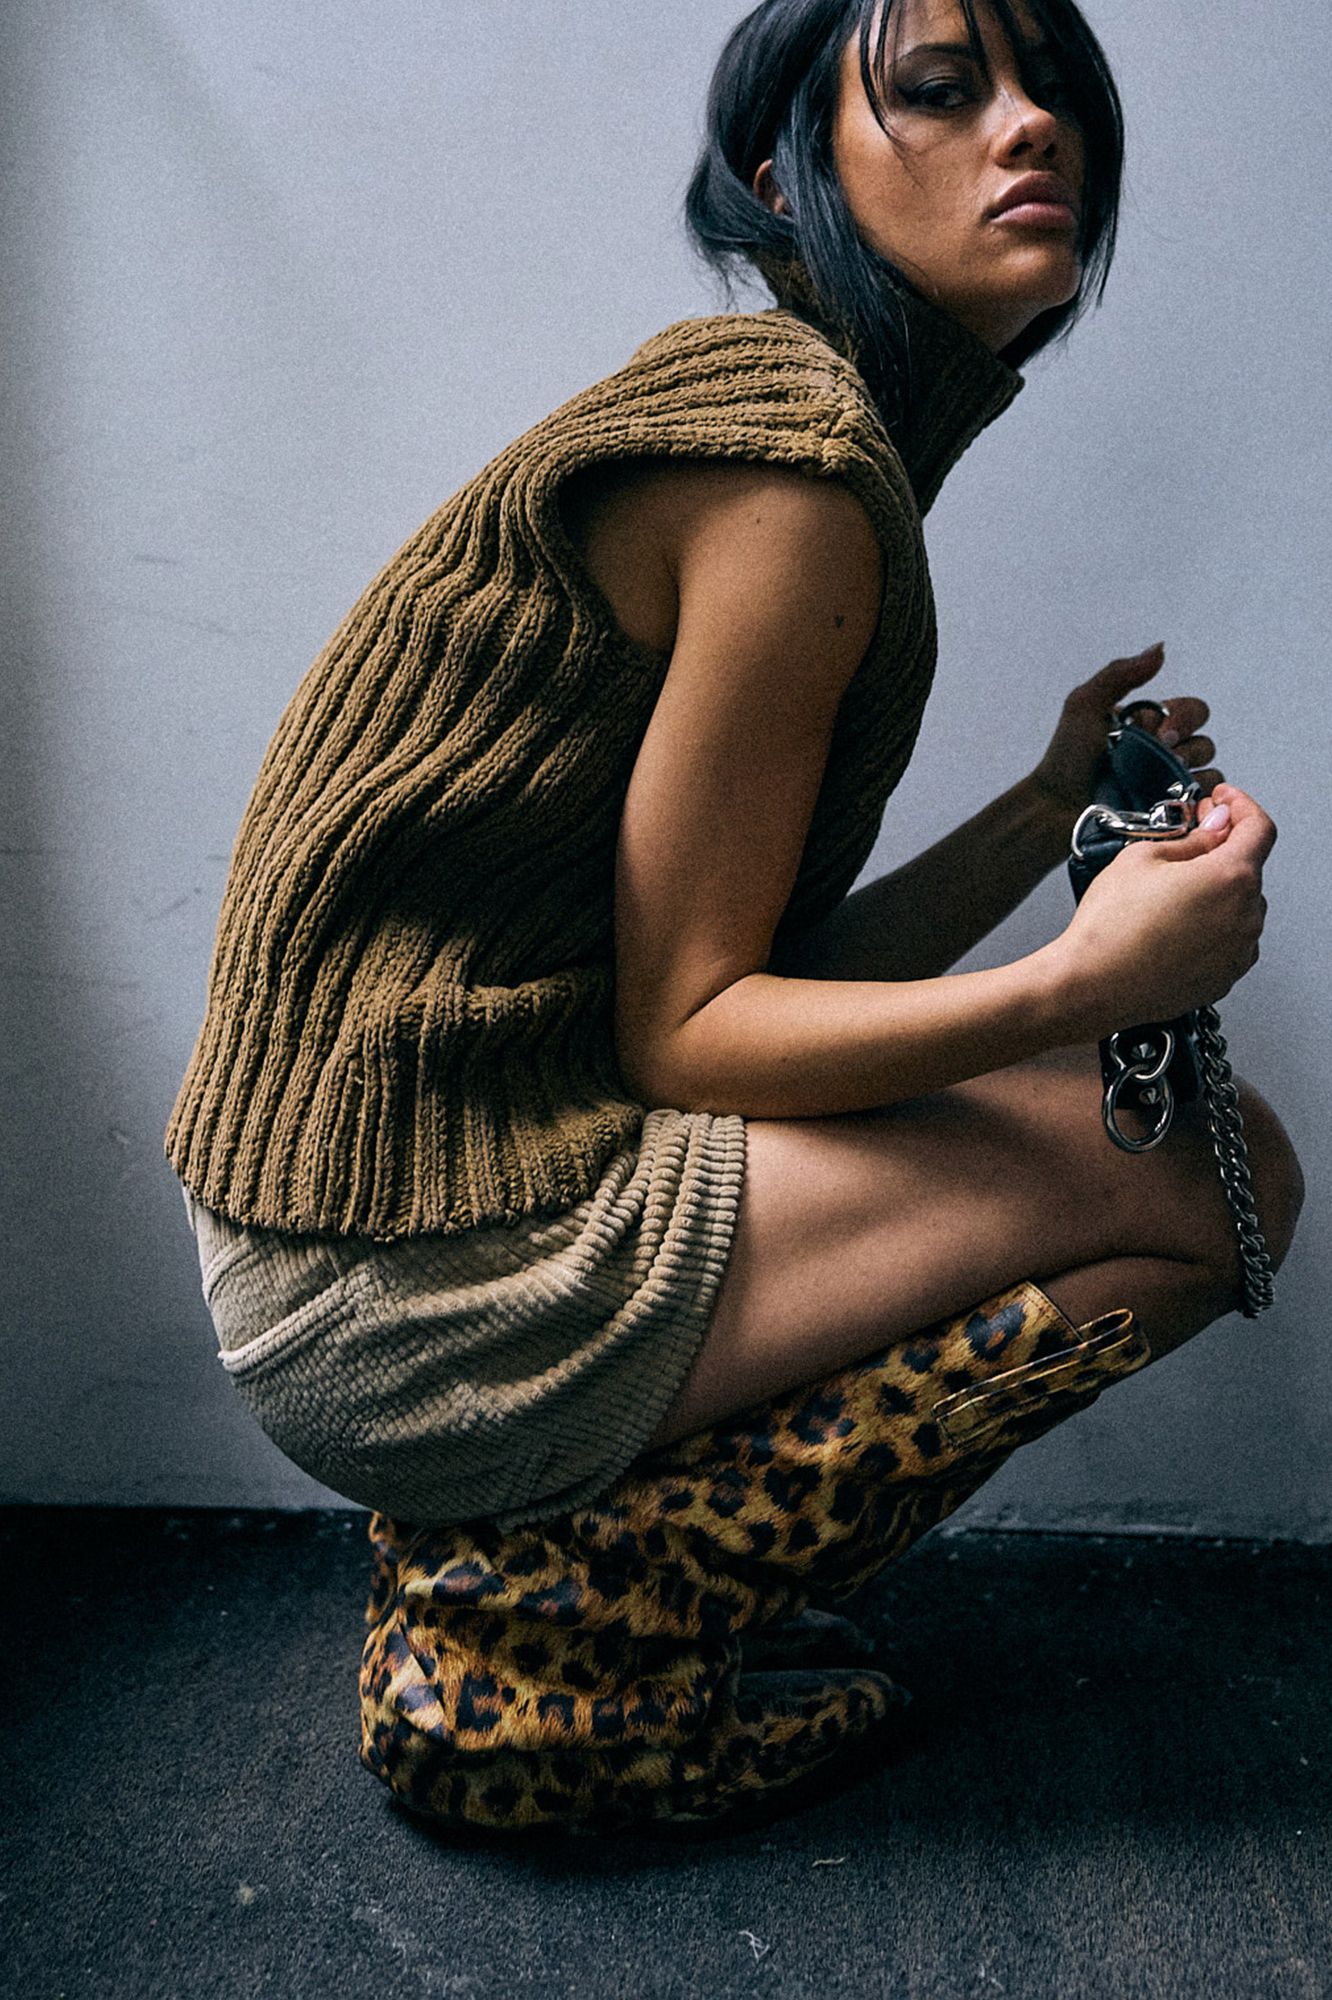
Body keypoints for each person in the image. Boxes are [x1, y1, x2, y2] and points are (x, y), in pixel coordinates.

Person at [168, 0, 1305, 1834]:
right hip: (408, 1281)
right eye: (944, 89)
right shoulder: (795, 473)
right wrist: (1074, 984)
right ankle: (559, 1647)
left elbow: (731, 997)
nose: (1033, 130)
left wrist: (1042, 814)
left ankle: (546, 1576)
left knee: (1162, 1134)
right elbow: (695, 1041)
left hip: (401, 1213)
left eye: (1058, 96)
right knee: (1203, 1178)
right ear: (785, 177)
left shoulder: (794, 436)